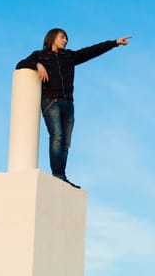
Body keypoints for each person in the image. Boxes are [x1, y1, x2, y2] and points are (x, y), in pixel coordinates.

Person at [16, 28, 132, 189]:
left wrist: (114, 43)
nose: (65, 40)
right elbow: (20, 64)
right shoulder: (40, 55)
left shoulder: (69, 57)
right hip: (51, 101)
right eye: (62, 37)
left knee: (66, 142)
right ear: (52, 38)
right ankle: (57, 175)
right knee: (57, 136)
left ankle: (61, 176)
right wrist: (37, 64)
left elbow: (91, 51)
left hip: (68, 103)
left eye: (66, 39)